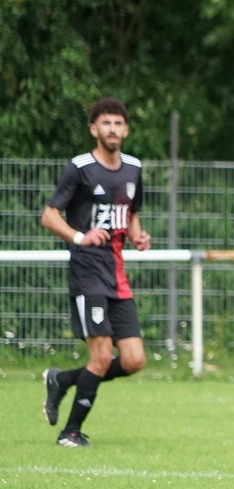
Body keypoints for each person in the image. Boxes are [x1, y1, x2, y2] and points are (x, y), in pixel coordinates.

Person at [40, 97, 151, 448]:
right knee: (101, 357)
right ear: (94, 129)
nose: (112, 129)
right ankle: (70, 433)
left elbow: (130, 213)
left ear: (126, 130)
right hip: (87, 274)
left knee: (134, 360)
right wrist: (79, 237)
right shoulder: (80, 167)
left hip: (117, 276)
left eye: (118, 124)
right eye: (106, 123)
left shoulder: (133, 168)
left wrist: (137, 236)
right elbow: (49, 216)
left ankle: (62, 380)